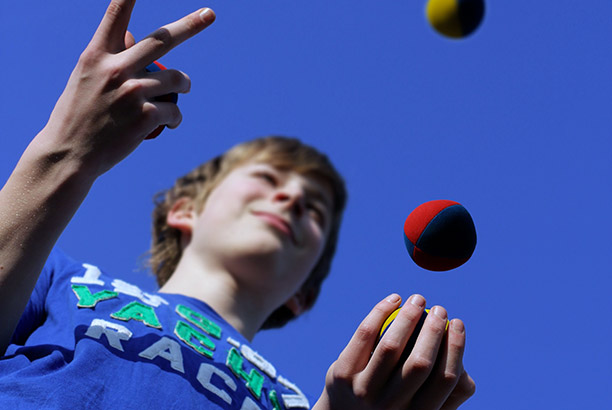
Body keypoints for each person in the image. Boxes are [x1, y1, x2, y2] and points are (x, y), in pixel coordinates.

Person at [0, 1, 475, 409]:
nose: (291, 198)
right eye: (266, 179)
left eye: (314, 212)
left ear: (303, 293)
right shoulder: (61, 280)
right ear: (183, 210)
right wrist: (66, 151)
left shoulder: (293, 400)